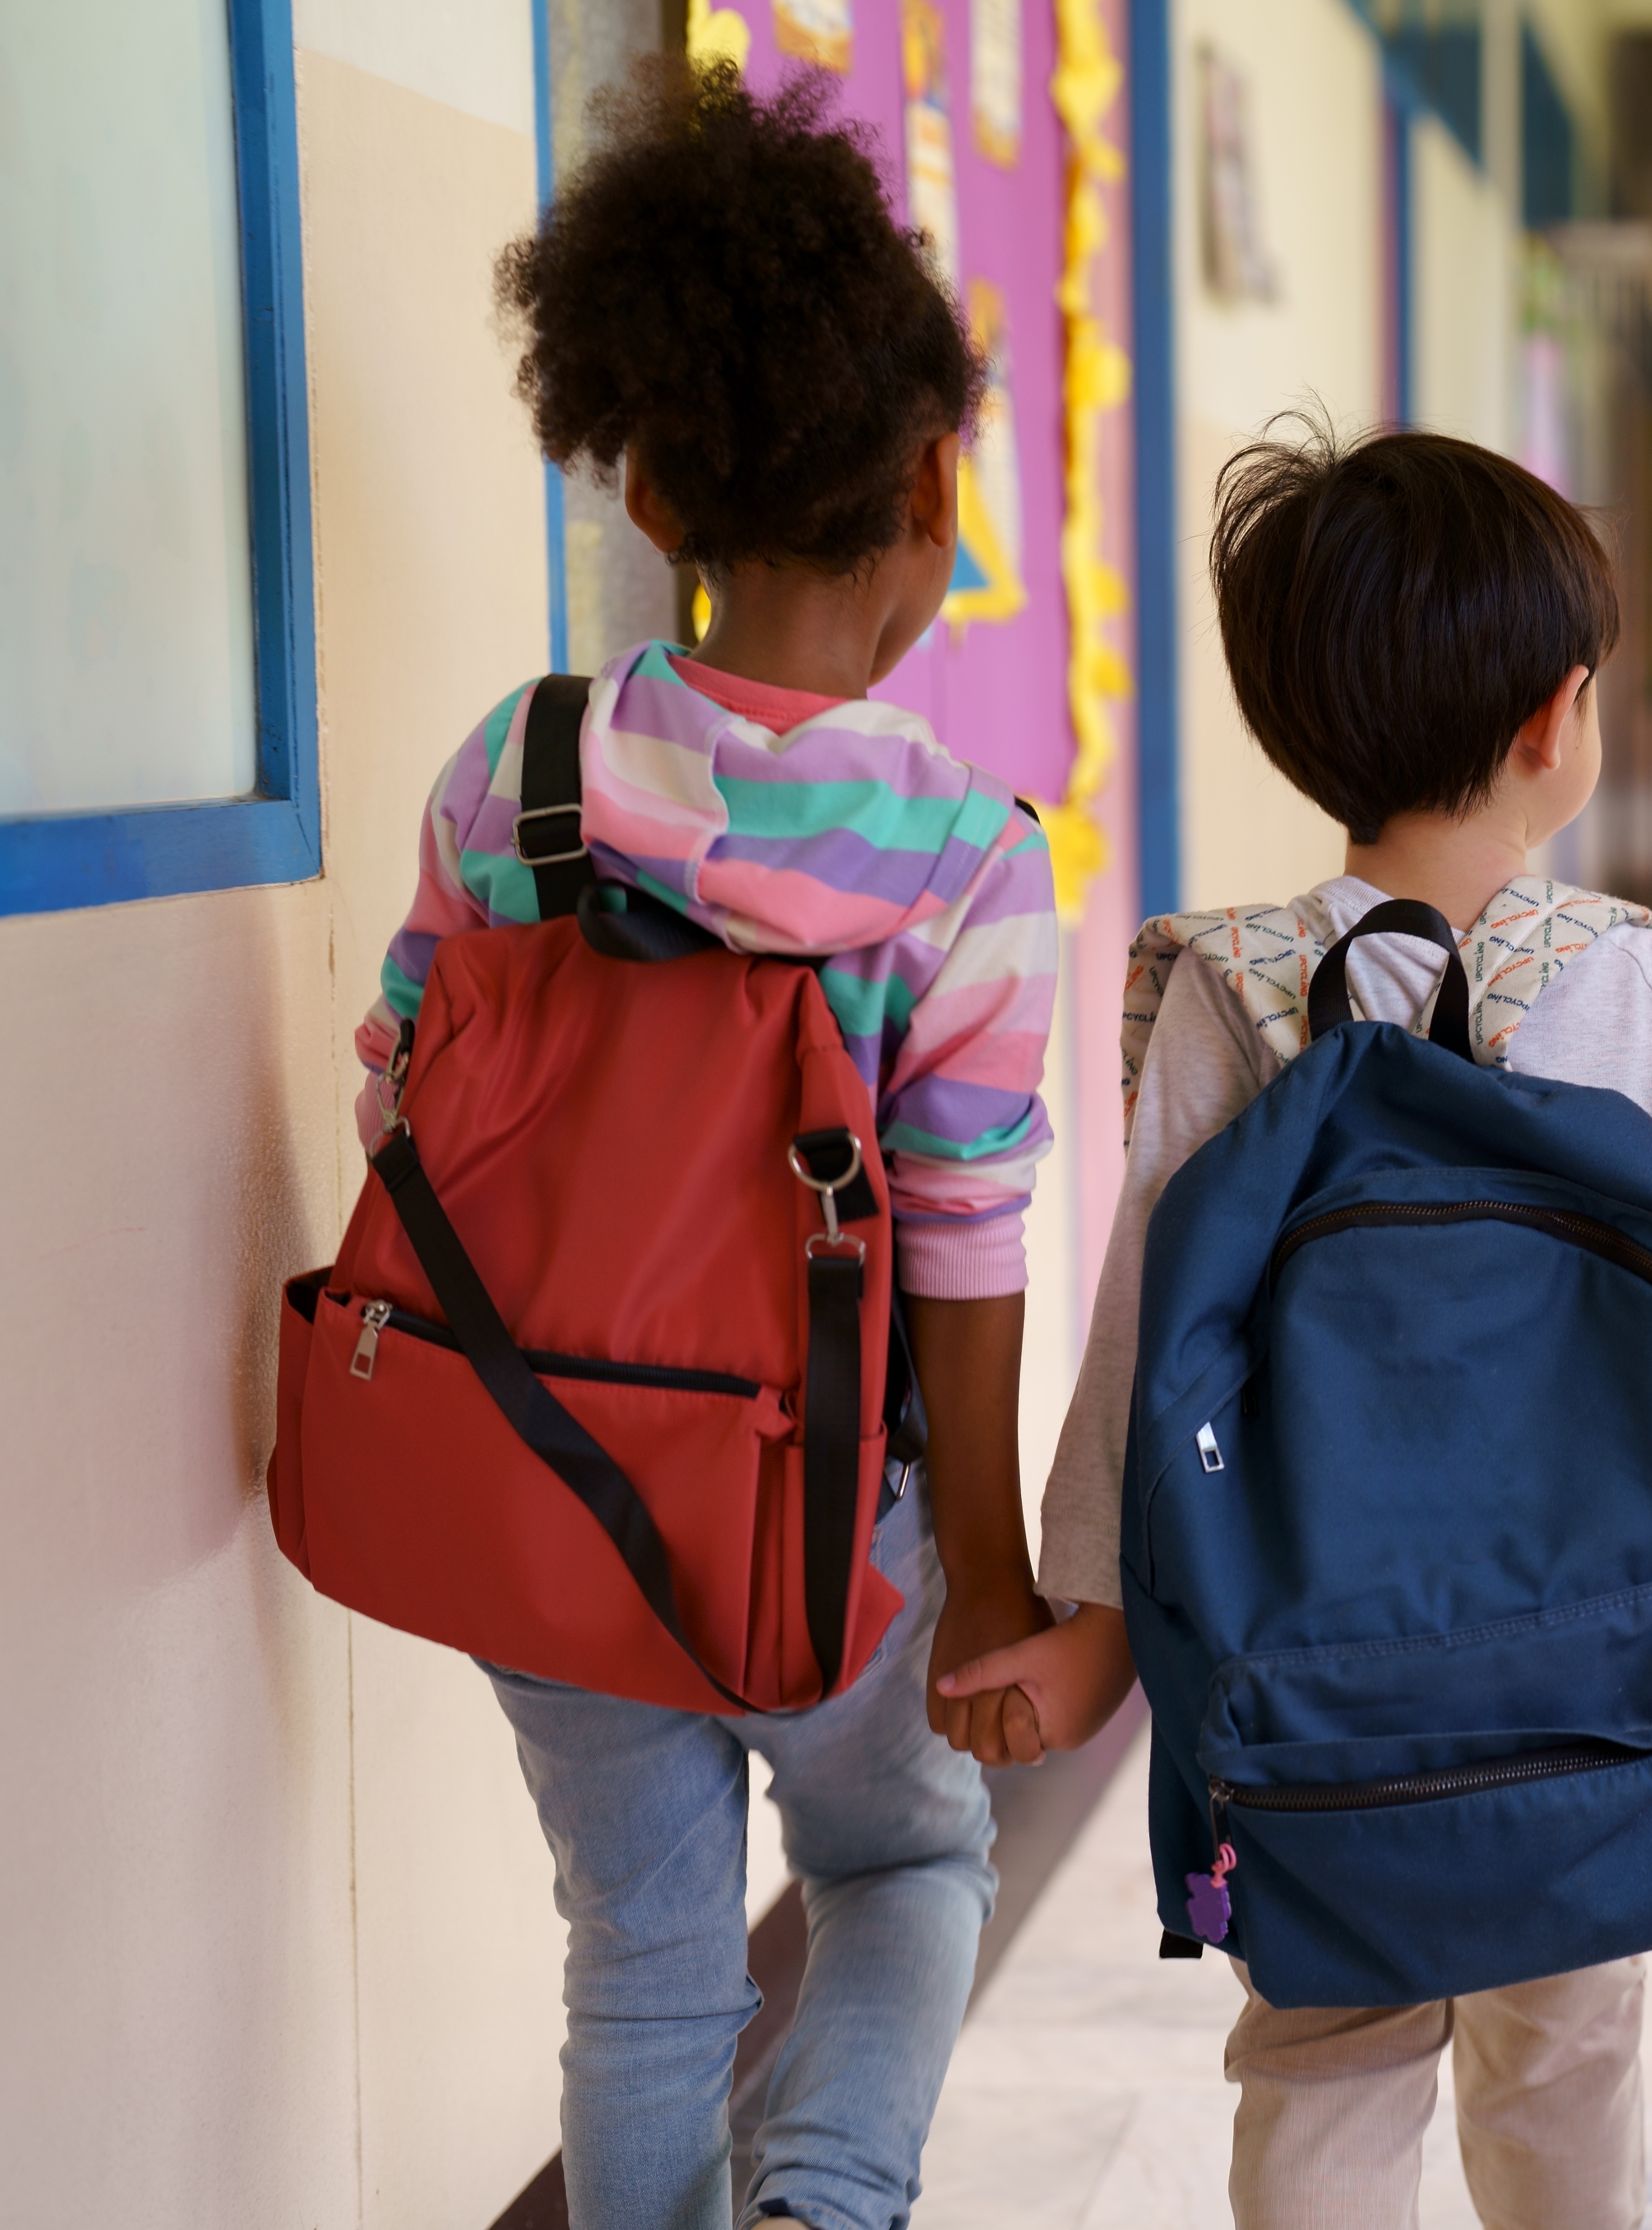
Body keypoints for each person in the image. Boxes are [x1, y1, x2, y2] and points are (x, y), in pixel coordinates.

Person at [941, 421, 1652, 2228]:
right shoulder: (1635, 987)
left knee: (1321, 2050)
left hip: (1301, 1682)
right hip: (1589, 1676)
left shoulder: (1215, 992)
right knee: (1565, 2049)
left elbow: (1145, 1345)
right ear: (1558, 722)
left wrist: (1091, 1622)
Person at [356, 63, 1073, 2229]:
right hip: (826, 1524)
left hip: (548, 1484)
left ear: (651, 483)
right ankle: (823, 2208)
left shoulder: (523, 773)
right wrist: (998, 1586)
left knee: (642, 1963)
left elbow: (405, 1096)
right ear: (937, 490)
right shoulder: (957, 857)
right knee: (903, 1858)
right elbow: (959, 1243)